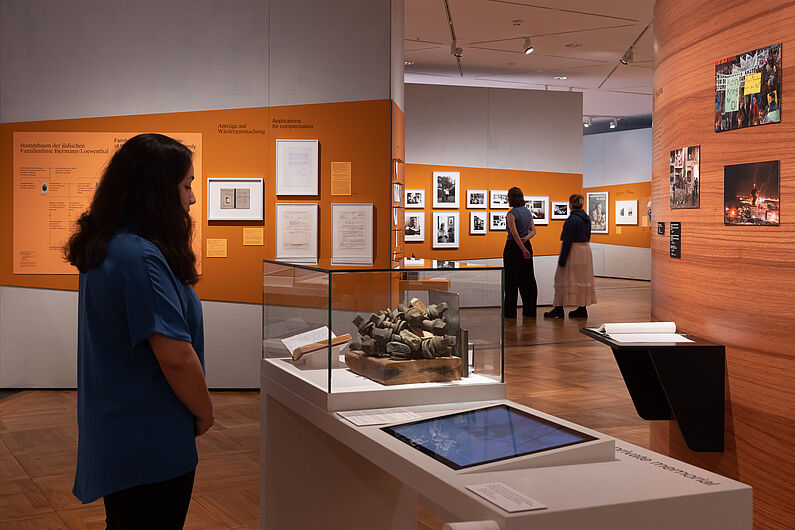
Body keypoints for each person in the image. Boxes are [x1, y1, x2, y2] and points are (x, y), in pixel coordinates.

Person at [65, 134, 213, 528]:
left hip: (122, 431)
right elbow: (175, 356)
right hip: (149, 437)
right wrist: (204, 411)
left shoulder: (110, 245)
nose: (192, 199)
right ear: (158, 191)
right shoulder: (141, 256)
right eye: (187, 185)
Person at [544, 194, 597, 319]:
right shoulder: (586, 218)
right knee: (582, 280)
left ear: (571, 204)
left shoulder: (572, 219)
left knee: (562, 278)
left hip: (573, 251)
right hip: (584, 249)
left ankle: (558, 308)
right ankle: (582, 309)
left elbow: (567, 240)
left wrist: (562, 259)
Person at [503, 186, 537, 319]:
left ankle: (510, 313)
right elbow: (533, 231)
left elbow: (514, 234)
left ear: (510, 198)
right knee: (528, 279)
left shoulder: (511, 214)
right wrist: (526, 240)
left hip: (513, 248)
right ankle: (530, 311)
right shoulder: (527, 212)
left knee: (511, 281)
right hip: (526, 245)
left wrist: (522, 248)